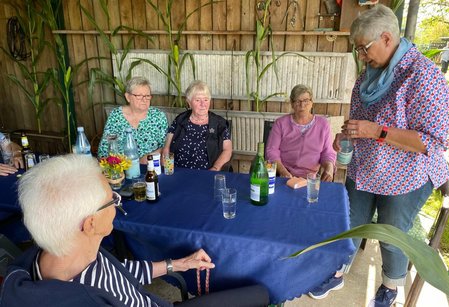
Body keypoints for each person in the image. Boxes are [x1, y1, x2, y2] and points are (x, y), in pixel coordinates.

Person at [308, 5, 449, 307]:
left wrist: (378, 132)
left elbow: (433, 142)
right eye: (358, 49)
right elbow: (360, 122)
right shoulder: (369, 75)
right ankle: (337, 270)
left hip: (408, 174)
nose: (360, 56)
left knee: (391, 234)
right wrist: (345, 136)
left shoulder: (422, 76)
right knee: (349, 220)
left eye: (364, 48)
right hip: (366, 167)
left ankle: (390, 285)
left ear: (387, 38)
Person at [1, 154, 269, 307]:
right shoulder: (79, 299)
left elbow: (120, 274)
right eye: (112, 200)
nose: (118, 206)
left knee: (261, 293)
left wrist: (177, 264)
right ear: (90, 223)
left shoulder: (66, 252)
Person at [265, 85, 336, 181]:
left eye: (306, 101)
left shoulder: (323, 125)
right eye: (298, 101)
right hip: (283, 175)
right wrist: (283, 171)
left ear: (312, 102)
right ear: (292, 103)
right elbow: (272, 151)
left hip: (310, 178)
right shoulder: (280, 123)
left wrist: (329, 169)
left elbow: (328, 153)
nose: (302, 105)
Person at [163, 80, 232, 171]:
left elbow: (227, 150)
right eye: (198, 100)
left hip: (207, 173)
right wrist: (168, 170)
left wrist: (215, 168)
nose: (203, 104)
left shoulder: (219, 123)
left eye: (206, 100)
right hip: (178, 171)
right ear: (189, 102)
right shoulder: (180, 120)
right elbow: (167, 147)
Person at [98, 76, 168, 164]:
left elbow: (166, 146)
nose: (144, 100)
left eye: (147, 96)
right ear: (128, 97)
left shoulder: (158, 116)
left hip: (150, 166)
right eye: (139, 96)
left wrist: (147, 158)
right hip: (120, 168)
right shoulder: (116, 116)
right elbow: (104, 149)